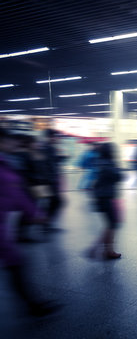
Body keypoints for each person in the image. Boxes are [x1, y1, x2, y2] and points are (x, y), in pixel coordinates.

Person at [0, 128, 60, 316]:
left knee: (16, 261)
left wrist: (34, 212)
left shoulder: (6, 162)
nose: (14, 144)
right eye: (10, 140)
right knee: (15, 261)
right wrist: (34, 212)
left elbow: (17, 192)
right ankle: (33, 305)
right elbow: (16, 191)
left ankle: (33, 304)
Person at [87, 143, 124, 259]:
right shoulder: (108, 164)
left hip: (102, 197)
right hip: (106, 197)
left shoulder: (100, 162)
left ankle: (107, 250)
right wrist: (117, 167)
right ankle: (96, 249)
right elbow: (118, 176)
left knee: (111, 224)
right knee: (111, 224)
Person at [42, 129, 67, 232]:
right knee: (57, 202)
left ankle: (46, 224)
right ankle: (45, 224)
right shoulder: (46, 148)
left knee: (52, 202)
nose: (57, 138)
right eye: (55, 136)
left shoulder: (49, 148)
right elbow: (45, 164)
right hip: (48, 181)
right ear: (49, 137)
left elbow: (51, 162)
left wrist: (60, 158)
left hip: (50, 180)